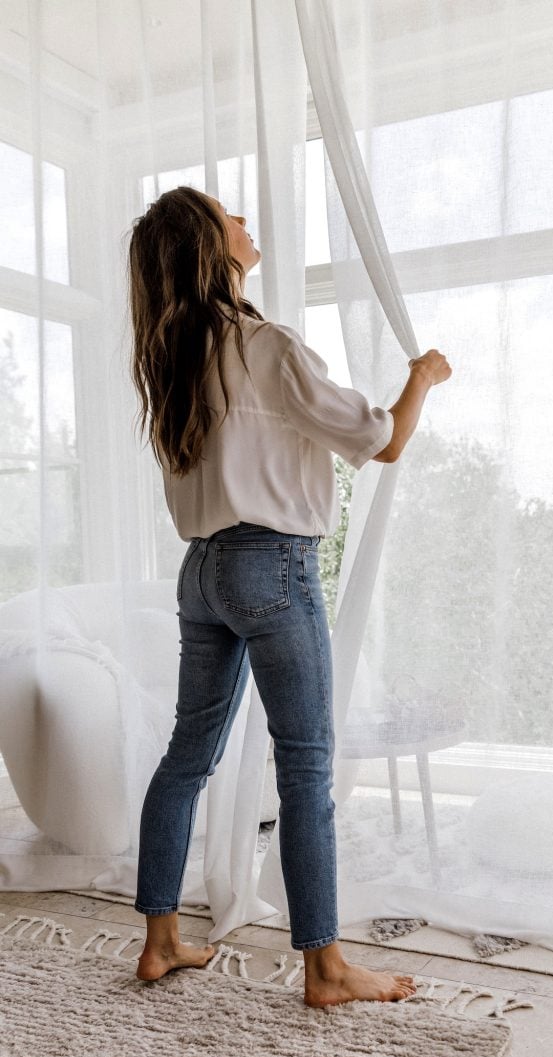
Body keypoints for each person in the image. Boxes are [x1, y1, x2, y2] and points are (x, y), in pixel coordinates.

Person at [128, 185, 451, 1006]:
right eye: (231, 213)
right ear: (212, 242)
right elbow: (381, 441)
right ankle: (328, 969)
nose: (245, 219)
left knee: (185, 758)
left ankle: (162, 942)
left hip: (201, 572)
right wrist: (422, 377)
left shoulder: (171, 364)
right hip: (271, 567)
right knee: (307, 770)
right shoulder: (265, 346)